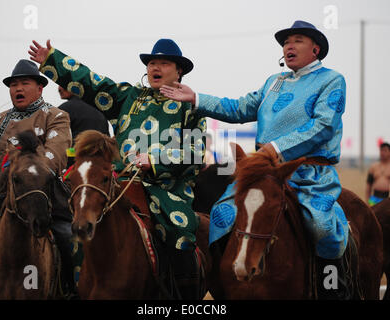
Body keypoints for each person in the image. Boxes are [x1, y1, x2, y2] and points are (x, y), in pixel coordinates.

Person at [161, 20, 350, 299]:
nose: (289, 45)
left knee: (322, 227)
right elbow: (238, 108)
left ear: (316, 49)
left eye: (297, 40)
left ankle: (333, 289)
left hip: (309, 173)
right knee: (220, 215)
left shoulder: (332, 80)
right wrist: (197, 98)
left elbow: (323, 126)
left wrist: (275, 148)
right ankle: (222, 286)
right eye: (286, 42)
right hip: (264, 173)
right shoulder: (273, 82)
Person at [28, 38, 207, 299]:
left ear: (179, 70)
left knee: (179, 233)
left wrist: (154, 161)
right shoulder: (127, 97)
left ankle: (181, 297)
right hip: (119, 184)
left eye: (164, 63)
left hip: (166, 190)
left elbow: (195, 153)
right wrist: (51, 59)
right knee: (80, 229)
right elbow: (92, 82)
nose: (155, 67)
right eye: (152, 63)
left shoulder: (190, 107)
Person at [0, 59, 73, 299]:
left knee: (70, 240)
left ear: (40, 88)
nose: (17, 89)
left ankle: (70, 290)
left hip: (42, 199)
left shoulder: (56, 115)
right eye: (13, 84)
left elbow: (56, 156)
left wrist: (26, 173)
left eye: (24, 83)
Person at [58, 85, 110, 168]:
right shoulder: (100, 110)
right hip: (101, 162)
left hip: (74, 157)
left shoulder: (64, 109)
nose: (59, 89)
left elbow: (53, 139)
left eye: (62, 84)